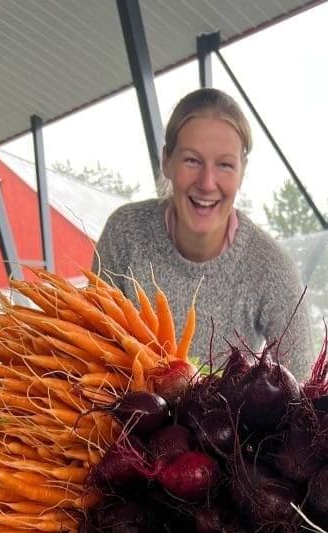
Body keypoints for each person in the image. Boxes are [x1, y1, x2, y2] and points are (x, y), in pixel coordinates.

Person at [93, 88, 314, 375]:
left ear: (241, 172)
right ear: (166, 162)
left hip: (231, 421)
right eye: (192, 161)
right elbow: (91, 350)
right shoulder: (125, 234)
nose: (207, 182)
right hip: (126, 417)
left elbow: (303, 384)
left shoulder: (270, 267)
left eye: (224, 165)